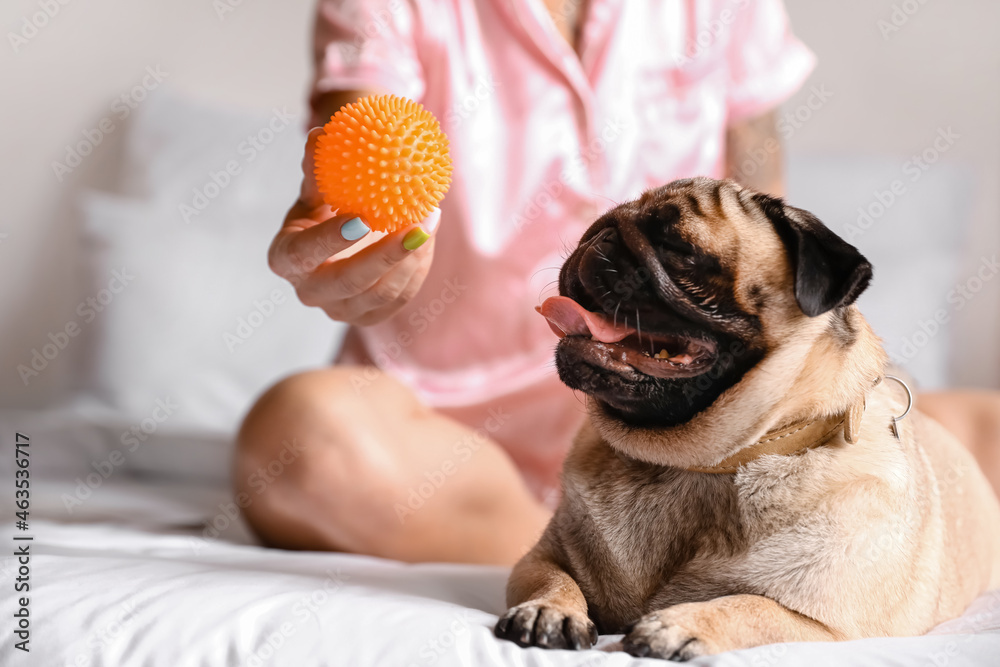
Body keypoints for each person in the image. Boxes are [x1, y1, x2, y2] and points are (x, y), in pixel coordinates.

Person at [235, 0, 1000, 565]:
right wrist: (355, 251)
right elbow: (355, 144)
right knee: (303, 437)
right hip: (446, 439)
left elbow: (762, 214)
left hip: (696, 428)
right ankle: (599, 559)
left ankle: (642, 548)